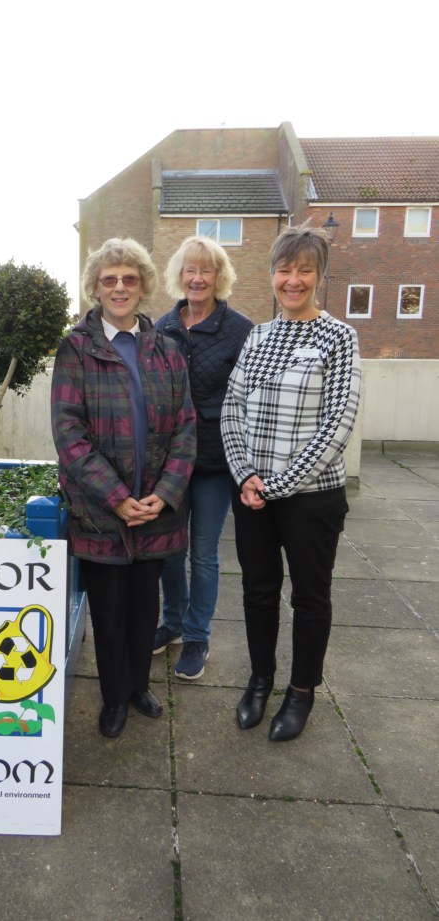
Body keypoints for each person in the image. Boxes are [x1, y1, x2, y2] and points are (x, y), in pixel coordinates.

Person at [221, 224, 361, 741]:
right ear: (272, 275)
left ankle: (301, 692)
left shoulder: (339, 337)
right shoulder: (258, 336)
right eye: (285, 269)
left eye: (305, 270)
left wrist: (277, 485)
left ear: (319, 276)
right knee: (258, 592)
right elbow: (231, 409)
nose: (293, 280)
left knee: (310, 597)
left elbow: (337, 424)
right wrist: (246, 474)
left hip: (312, 498)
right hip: (253, 493)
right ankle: (260, 680)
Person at [51, 237, 196, 738]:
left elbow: (185, 428)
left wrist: (166, 494)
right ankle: (113, 698)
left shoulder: (168, 350)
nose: (119, 287)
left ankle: (139, 687)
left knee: (144, 610)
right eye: (109, 279)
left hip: (157, 510)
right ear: (95, 287)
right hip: (101, 513)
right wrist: (117, 498)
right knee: (109, 613)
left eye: (129, 279)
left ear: (143, 286)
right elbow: (69, 433)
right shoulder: (75, 348)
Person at [153, 236, 252, 679]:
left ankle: (197, 637)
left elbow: (250, 397)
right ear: (179, 275)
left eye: (206, 270)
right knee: (170, 551)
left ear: (219, 277)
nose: (197, 278)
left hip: (214, 461)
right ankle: (172, 623)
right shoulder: (162, 328)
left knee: (204, 554)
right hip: (170, 463)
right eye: (190, 270)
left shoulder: (240, 330)